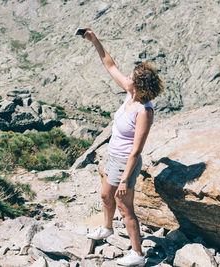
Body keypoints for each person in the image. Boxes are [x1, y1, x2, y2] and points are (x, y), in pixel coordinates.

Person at [79, 27, 164, 266]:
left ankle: (137, 253)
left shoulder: (144, 110)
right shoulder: (130, 94)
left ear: (139, 85)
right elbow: (109, 64)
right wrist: (94, 41)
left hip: (126, 162)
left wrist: (126, 180)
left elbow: (136, 150)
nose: (126, 78)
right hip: (114, 157)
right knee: (106, 195)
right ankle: (107, 228)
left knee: (125, 207)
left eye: (131, 76)